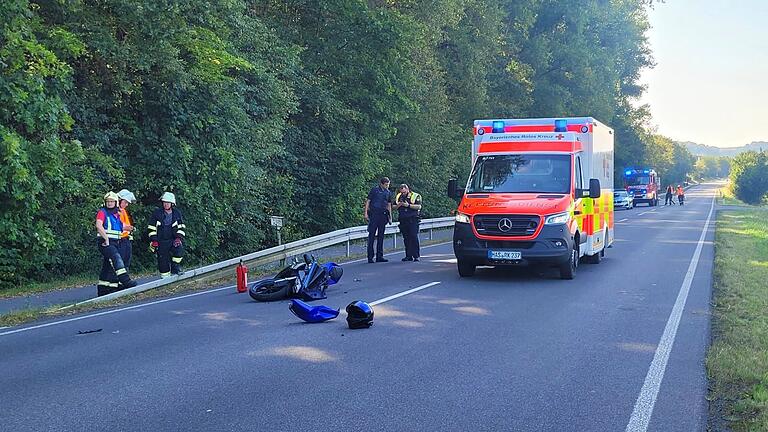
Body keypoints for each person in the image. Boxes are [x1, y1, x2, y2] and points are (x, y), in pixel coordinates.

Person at [95, 192, 137, 296]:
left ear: (116, 203)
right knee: (116, 258)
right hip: (105, 242)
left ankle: (103, 289)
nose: (110, 203)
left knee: (107, 265)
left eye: (112, 202)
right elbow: (99, 226)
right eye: (108, 201)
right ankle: (125, 280)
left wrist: (128, 228)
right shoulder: (102, 212)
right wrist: (106, 239)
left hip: (115, 241)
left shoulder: (116, 214)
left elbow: (117, 226)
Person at [148, 192, 186, 277]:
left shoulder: (177, 213)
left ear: (172, 204)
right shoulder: (157, 213)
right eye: (164, 202)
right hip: (160, 241)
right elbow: (151, 227)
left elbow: (181, 227)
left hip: (173, 239)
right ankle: (165, 279)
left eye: (168, 203)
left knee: (179, 251)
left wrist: (178, 238)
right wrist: (154, 240)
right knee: (163, 261)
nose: (166, 204)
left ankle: (175, 268)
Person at [364, 177, 392, 263]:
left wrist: (390, 217)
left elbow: (389, 204)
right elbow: (368, 201)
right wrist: (365, 213)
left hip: (383, 215)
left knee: (381, 236)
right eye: (386, 184)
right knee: (371, 235)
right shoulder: (375, 190)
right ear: (382, 184)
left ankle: (380, 256)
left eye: (388, 184)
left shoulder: (388, 192)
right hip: (374, 214)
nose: (387, 186)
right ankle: (370, 256)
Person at [394, 184, 422, 262]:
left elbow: (419, 207)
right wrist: (398, 205)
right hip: (403, 220)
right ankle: (408, 256)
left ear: (407, 189)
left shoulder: (415, 195)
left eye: (404, 192)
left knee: (413, 236)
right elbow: (393, 207)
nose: (403, 193)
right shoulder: (398, 196)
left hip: (413, 219)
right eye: (401, 192)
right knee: (406, 238)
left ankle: (416, 256)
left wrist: (408, 205)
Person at [117, 189, 137, 271]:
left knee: (126, 259)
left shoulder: (123, 211)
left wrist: (130, 228)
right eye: (125, 202)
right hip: (118, 239)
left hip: (125, 238)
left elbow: (125, 224)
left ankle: (125, 277)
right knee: (119, 260)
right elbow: (113, 225)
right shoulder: (114, 211)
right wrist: (125, 228)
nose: (127, 204)